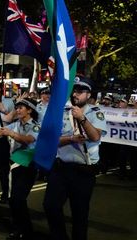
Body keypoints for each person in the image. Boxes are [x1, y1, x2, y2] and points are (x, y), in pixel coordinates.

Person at [43, 76, 106, 240]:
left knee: (79, 213)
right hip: (61, 168)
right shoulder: (62, 112)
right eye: (75, 90)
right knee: (50, 206)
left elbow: (95, 136)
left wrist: (82, 118)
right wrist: (70, 139)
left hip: (83, 172)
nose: (76, 94)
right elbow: (52, 140)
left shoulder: (96, 113)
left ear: (88, 95)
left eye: (81, 91)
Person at [0, 98, 40, 239]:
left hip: (27, 166)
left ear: (29, 110)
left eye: (21, 108)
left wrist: (10, 134)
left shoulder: (35, 126)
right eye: (16, 108)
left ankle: (25, 230)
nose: (17, 110)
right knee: (13, 200)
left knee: (18, 199)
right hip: (14, 165)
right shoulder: (15, 124)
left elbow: (28, 139)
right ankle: (20, 229)